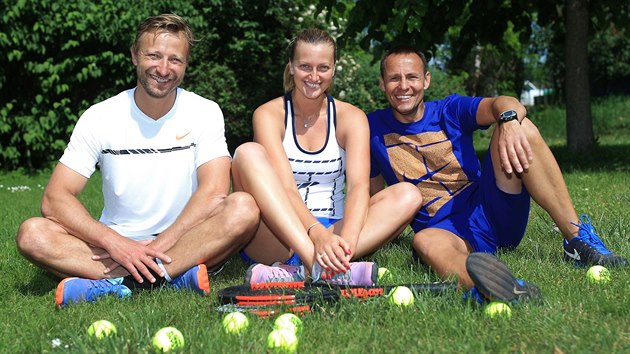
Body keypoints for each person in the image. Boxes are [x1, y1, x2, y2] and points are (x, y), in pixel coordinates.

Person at [15, 14, 259, 309]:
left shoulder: (204, 111)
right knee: (33, 234)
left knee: (243, 207)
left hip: (186, 238)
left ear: (186, 64)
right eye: (153, 56)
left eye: (175, 60)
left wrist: (158, 246)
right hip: (116, 246)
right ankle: (173, 275)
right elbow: (55, 199)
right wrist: (116, 243)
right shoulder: (99, 116)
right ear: (134, 55)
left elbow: (215, 192)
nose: (164, 69)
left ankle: (118, 282)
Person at [368, 46, 627, 303]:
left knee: (520, 128)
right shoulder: (371, 128)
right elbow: (378, 197)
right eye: (394, 78)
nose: (403, 86)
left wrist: (509, 121)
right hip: (444, 232)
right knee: (423, 240)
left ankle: (577, 241)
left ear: (426, 80)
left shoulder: (449, 109)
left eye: (411, 77)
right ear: (382, 83)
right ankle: (491, 287)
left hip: (492, 209)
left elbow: (502, 103)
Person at [231, 29, 423, 286]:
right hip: (279, 234)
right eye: (304, 66)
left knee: (408, 194)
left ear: (333, 70)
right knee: (247, 153)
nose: (313, 76)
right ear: (291, 67)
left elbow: (358, 187)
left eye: (323, 67)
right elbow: (286, 187)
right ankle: (315, 264)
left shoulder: (351, 117)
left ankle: (313, 269)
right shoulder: (268, 114)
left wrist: (347, 243)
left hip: (335, 229)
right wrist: (316, 234)